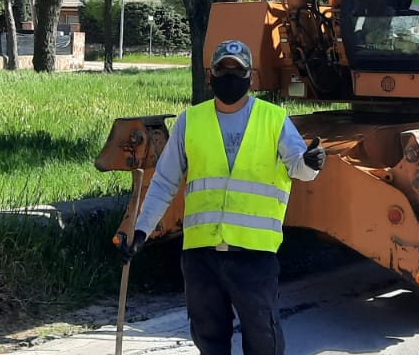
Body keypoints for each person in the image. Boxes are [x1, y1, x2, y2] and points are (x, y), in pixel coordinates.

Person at [118, 39, 326, 355]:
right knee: (209, 340)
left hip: (254, 254)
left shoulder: (273, 119)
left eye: (237, 69)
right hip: (201, 256)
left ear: (250, 77)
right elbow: (163, 183)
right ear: (210, 75)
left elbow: (299, 167)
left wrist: (311, 163)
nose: (229, 75)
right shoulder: (191, 121)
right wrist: (141, 230)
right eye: (222, 69)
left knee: (263, 340)